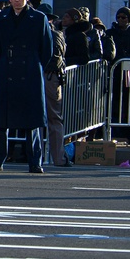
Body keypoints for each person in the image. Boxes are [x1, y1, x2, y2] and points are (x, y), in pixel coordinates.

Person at [0, 0, 52, 173]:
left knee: (32, 120)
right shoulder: (3, 17)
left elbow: (46, 49)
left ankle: (34, 161)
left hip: (30, 72)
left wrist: (34, 65)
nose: (17, 0)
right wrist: (6, 61)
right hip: (9, 71)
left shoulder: (39, 18)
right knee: (2, 120)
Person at [106, 7, 130, 144]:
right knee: (114, 101)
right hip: (114, 73)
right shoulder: (109, 33)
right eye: (118, 17)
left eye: (124, 17)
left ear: (129, 19)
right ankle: (113, 130)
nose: (121, 20)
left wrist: (123, 57)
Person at [44, 15, 71, 166]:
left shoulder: (53, 35)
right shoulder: (57, 35)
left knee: (52, 117)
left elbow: (55, 57)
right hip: (51, 77)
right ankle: (58, 157)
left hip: (48, 77)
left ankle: (57, 157)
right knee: (54, 118)